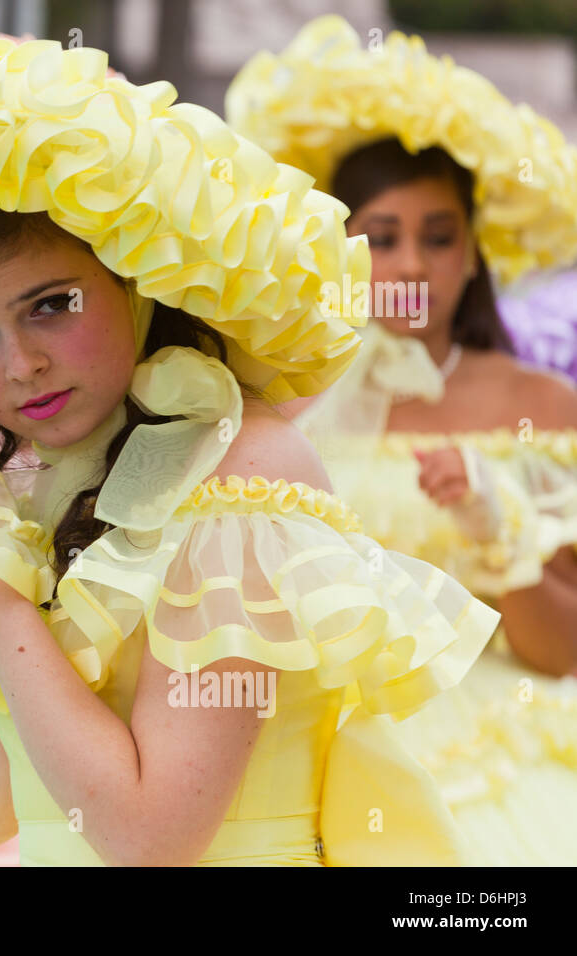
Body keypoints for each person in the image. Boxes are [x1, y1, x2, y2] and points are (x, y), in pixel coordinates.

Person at [0, 26, 501, 866]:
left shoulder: (244, 470)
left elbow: (148, 841)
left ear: (140, 281)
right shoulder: (37, 480)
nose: (21, 365)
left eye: (52, 305)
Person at [227, 14, 577, 865]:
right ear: (336, 248)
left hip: (491, 745)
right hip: (293, 751)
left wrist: (500, 532)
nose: (410, 267)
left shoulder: (543, 405)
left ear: (473, 255)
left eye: (438, 236)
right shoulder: (272, 402)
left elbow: (564, 647)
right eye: (380, 239)